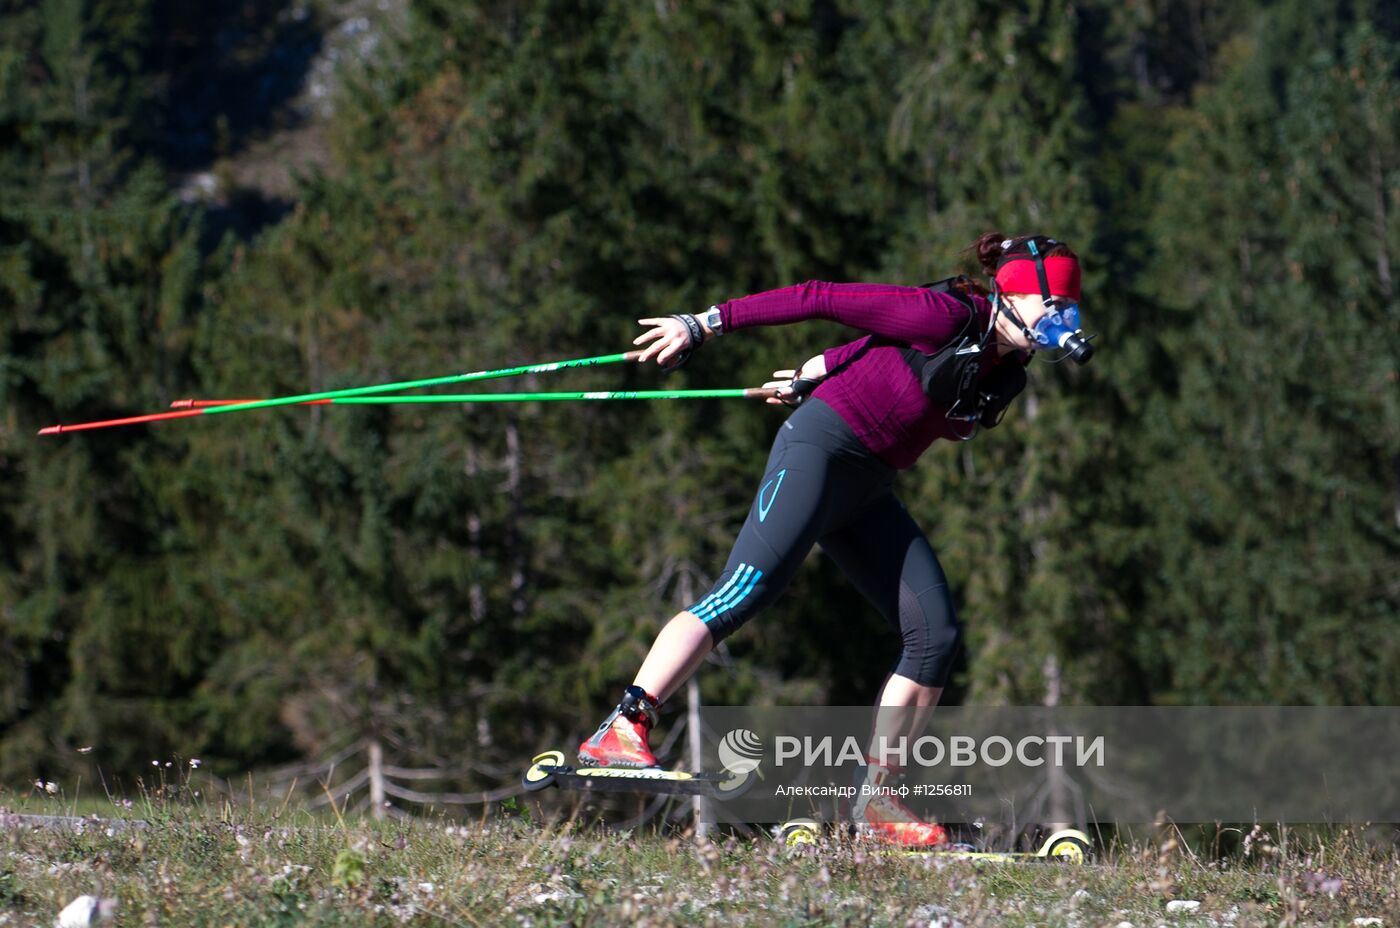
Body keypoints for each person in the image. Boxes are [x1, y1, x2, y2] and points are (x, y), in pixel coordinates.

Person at [576, 233, 1086, 846]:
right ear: (1013, 294)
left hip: (867, 487)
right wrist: (706, 323)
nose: (1061, 320)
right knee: (745, 592)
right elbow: (821, 296)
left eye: (1069, 308)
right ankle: (622, 726)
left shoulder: (1006, 368)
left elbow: (891, 361)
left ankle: (879, 801)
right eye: (1051, 306)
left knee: (936, 635)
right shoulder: (945, 315)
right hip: (820, 450)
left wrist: (822, 368)